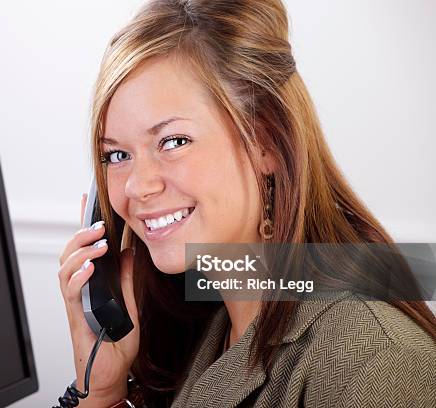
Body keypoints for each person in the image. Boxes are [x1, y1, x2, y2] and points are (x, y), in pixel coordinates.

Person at [57, 0, 436, 406]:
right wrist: (101, 391)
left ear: (266, 144)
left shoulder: (375, 362)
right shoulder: (208, 320)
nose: (136, 187)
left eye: (173, 142)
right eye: (117, 155)